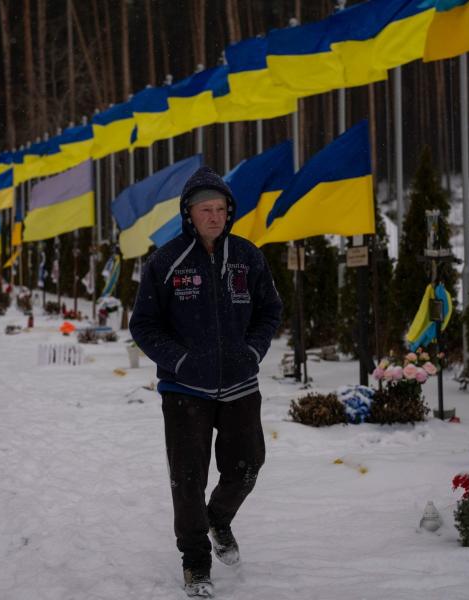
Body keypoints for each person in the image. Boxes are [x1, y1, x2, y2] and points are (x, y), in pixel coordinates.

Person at [130, 166, 282, 598]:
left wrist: (251, 352)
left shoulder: (249, 256)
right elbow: (143, 325)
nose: (214, 217)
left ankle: (218, 518)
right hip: (184, 391)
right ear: (189, 214)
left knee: (247, 466)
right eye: (205, 210)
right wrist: (179, 361)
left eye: (220, 209)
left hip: (240, 386)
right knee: (188, 478)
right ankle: (196, 563)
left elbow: (270, 310)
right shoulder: (166, 261)